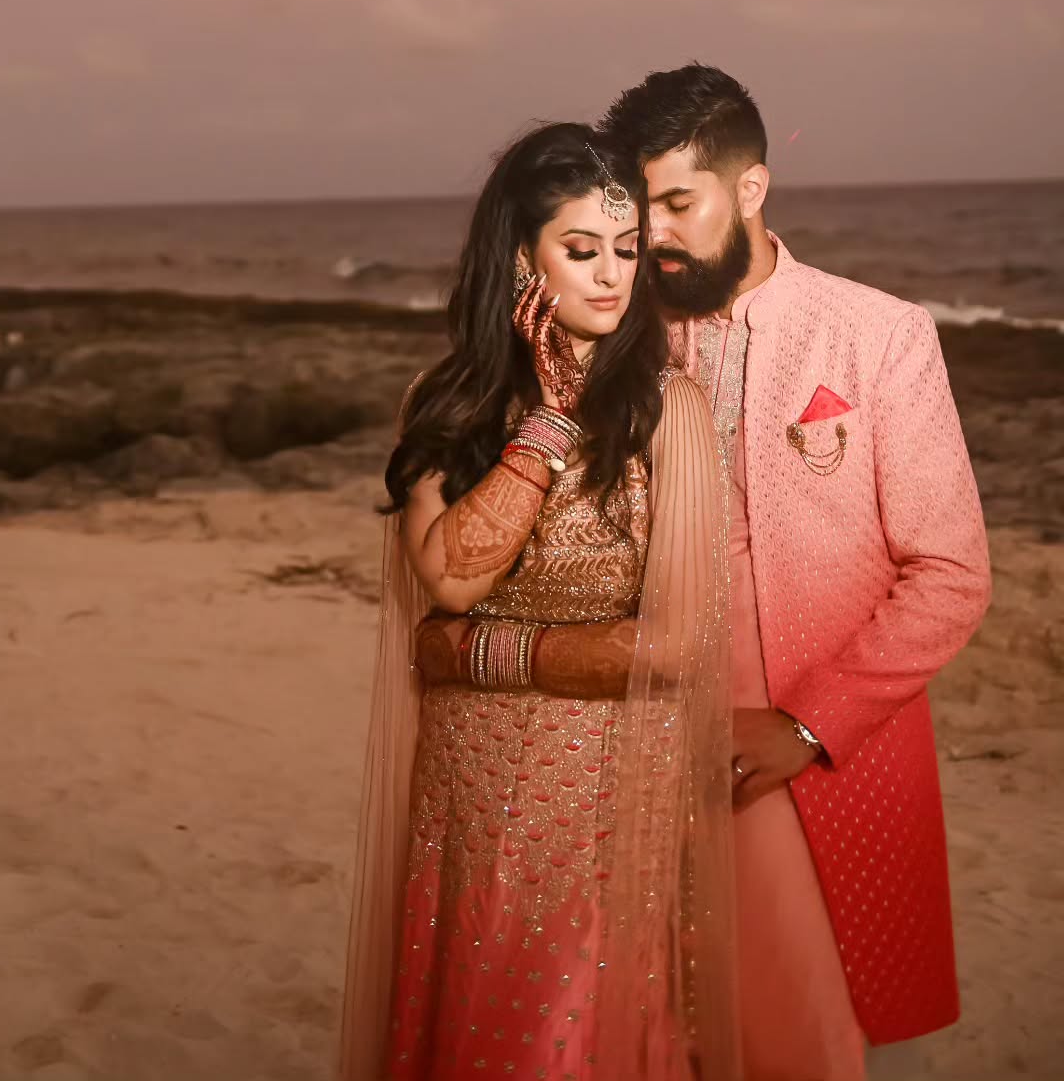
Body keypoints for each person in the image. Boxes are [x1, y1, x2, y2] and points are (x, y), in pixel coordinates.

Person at [424, 68, 992, 1081]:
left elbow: (949, 573)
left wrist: (809, 726)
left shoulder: (878, 333)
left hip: (793, 751)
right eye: (644, 218)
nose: (660, 241)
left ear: (753, 187)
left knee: (796, 1034)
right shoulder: (617, 340)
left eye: (681, 204)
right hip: (615, 753)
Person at [338, 123, 740, 1081]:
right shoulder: (449, 404)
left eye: (629, 250)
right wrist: (548, 426)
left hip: (604, 792)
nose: (612, 276)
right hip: (466, 792)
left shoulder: (668, 413)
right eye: (582, 249)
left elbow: (678, 646)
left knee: (557, 1039)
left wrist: (480, 654)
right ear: (522, 259)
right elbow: (453, 578)